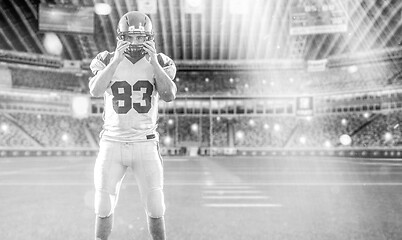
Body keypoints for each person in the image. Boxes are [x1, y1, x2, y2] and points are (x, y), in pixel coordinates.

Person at [89, 11, 177, 240]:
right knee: (103, 204)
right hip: (112, 142)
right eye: (130, 37)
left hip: (144, 142)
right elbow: (95, 90)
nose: (135, 42)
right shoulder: (106, 59)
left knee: (156, 206)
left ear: (150, 37)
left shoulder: (162, 61)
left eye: (140, 37)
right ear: (120, 37)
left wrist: (155, 63)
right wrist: (116, 61)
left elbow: (169, 95)